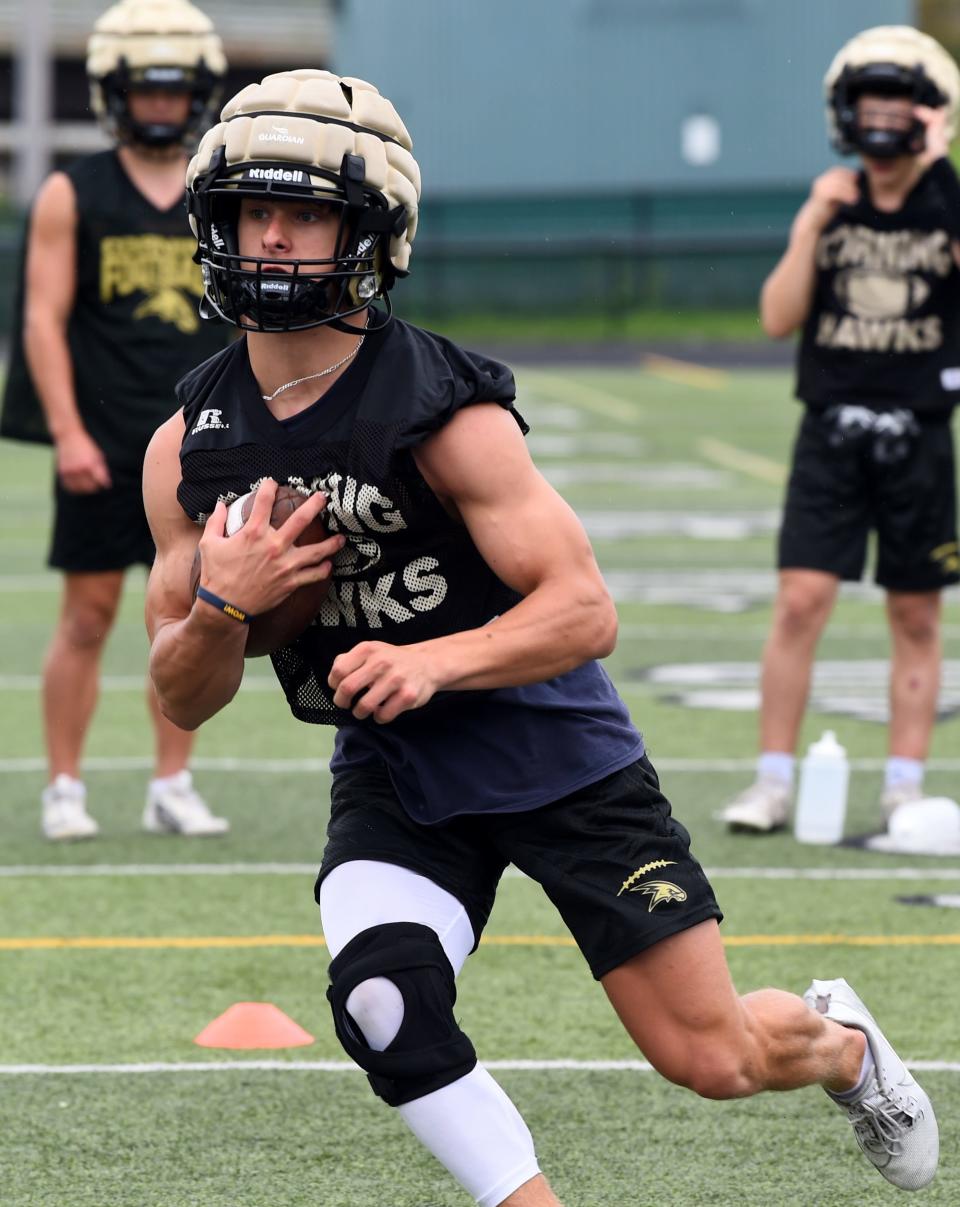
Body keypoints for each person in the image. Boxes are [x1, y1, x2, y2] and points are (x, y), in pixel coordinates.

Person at [143, 70, 939, 1205]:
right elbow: (179, 695)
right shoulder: (188, 444)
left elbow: (584, 612)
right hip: (396, 769)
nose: (271, 237)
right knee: (383, 1006)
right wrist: (224, 604)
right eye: (250, 211)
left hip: (553, 752)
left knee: (713, 1058)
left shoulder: (441, 407)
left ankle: (843, 1045)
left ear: (369, 230)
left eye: (306, 211)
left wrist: (432, 660)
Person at [0, 0, 231, 840]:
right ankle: (65, 784)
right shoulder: (74, 190)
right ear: (113, 92)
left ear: (199, 93)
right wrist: (66, 431)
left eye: (176, 90)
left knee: (191, 618)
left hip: (196, 446)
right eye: (146, 88)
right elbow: (41, 320)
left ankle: (172, 783)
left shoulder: (220, 189)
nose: (162, 105)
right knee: (88, 616)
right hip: (102, 440)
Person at [722, 25, 960, 835]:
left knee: (917, 614)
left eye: (900, 104)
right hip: (830, 430)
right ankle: (773, 780)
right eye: (872, 103)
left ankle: (902, 783)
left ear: (931, 114)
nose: (884, 121)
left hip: (920, 435)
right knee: (800, 600)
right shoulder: (832, 199)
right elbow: (776, 316)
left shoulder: (950, 202)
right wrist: (812, 223)